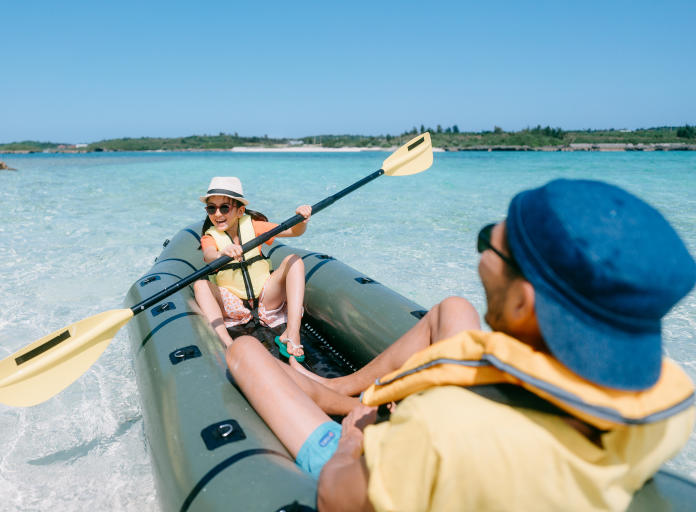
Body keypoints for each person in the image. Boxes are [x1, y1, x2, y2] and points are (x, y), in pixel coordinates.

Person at [226, 179, 696, 511]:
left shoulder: (442, 431)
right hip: (477, 429)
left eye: (489, 245)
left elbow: (336, 498)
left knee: (245, 352)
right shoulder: (665, 403)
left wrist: (352, 443)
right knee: (452, 308)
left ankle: (337, 405)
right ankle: (340, 389)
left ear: (522, 304)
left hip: (396, 460)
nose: (484, 251)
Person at [192, 176, 312, 354]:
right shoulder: (209, 237)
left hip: (266, 298)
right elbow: (209, 255)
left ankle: (292, 333)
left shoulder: (255, 227)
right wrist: (221, 253)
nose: (217, 214)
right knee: (200, 285)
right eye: (211, 208)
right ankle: (227, 343)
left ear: (240, 211)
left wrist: (301, 220)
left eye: (224, 207)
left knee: (295, 260)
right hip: (234, 305)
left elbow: (293, 231)